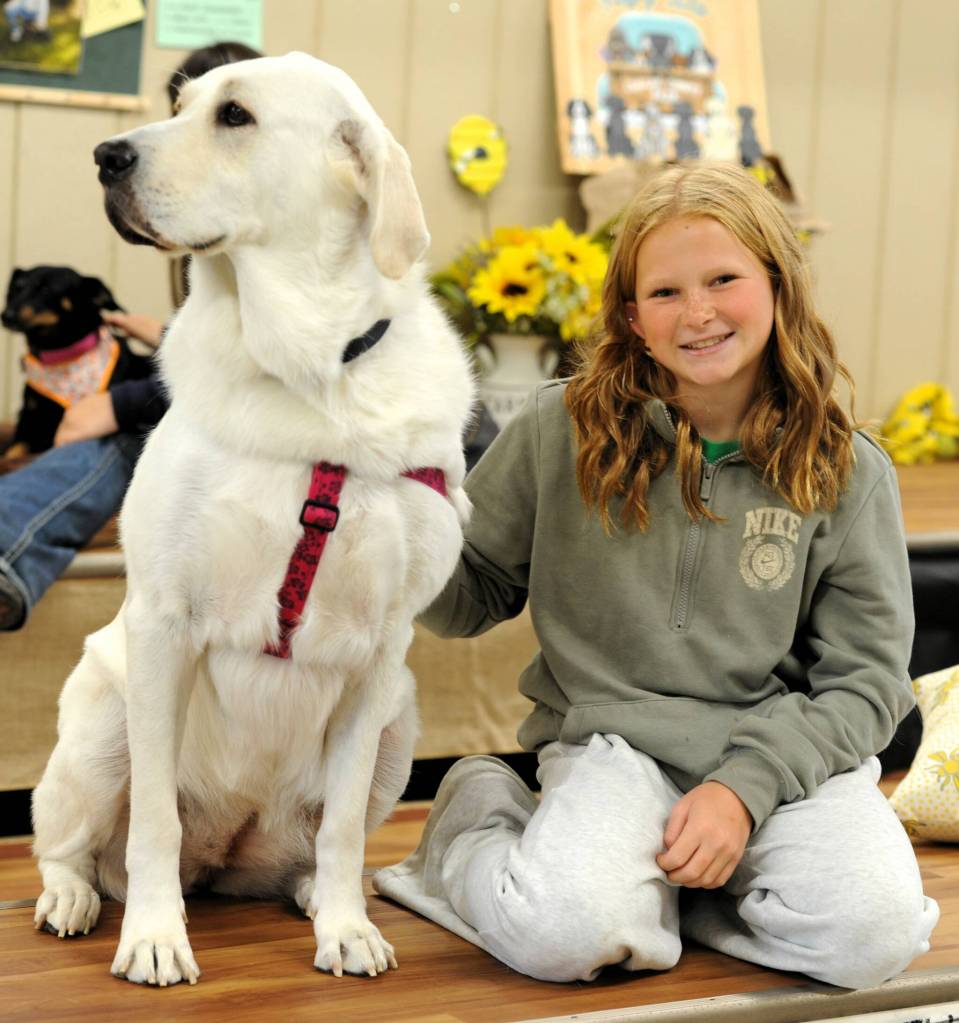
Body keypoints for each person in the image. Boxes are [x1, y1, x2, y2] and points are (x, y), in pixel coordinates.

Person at [373, 164, 939, 990]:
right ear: (632, 317)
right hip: (613, 750)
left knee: (873, 939)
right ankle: (480, 820)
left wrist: (741, 794)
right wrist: (407, 513)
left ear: (776, 286)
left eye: (722, 280)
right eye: (666, 292)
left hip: (778, 759)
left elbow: (863, 685)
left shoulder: (849, 470)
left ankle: (656, 895)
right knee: (565, 936)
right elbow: (470, 599)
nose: (698, 312)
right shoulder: (554, 428)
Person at [0, 41, 261, 631]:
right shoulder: (211, 238)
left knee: (121, 443)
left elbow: (259, 377)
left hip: (257, 440)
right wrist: (171, 335)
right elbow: (233, 353)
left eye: (227, 118)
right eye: (179, 116)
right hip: (227, 414)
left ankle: (6, 548)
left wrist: (114, 405)